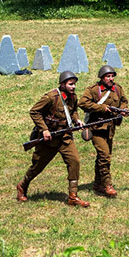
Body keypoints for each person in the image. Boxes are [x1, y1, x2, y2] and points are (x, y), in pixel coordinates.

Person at [16, 71, 89, 207]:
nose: (73, 87)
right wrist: (44, 129)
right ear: (62, 84)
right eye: (70, 84)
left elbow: (72, 111)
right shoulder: (51, 97)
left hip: (65, 137)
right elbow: (34, 111)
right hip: (49, 139)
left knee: (75, 161)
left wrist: (77, 120)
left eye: (74, 84)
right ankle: (22, 185)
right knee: (37, 166)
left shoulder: (73, 97)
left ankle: (73, 196)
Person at [78, 65, 129, 198]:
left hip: (110, 128)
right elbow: (83, 103)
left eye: (112, 76)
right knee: (105, 156)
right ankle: (108, 185)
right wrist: (101, 108)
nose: (111, 79)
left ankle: (97, 184)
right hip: (96, 128)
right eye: (108, 76)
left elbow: (124, 101)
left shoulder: (117, 88)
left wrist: (123, 109)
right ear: (102, 77)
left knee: (103, 157)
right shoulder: (94, 90)